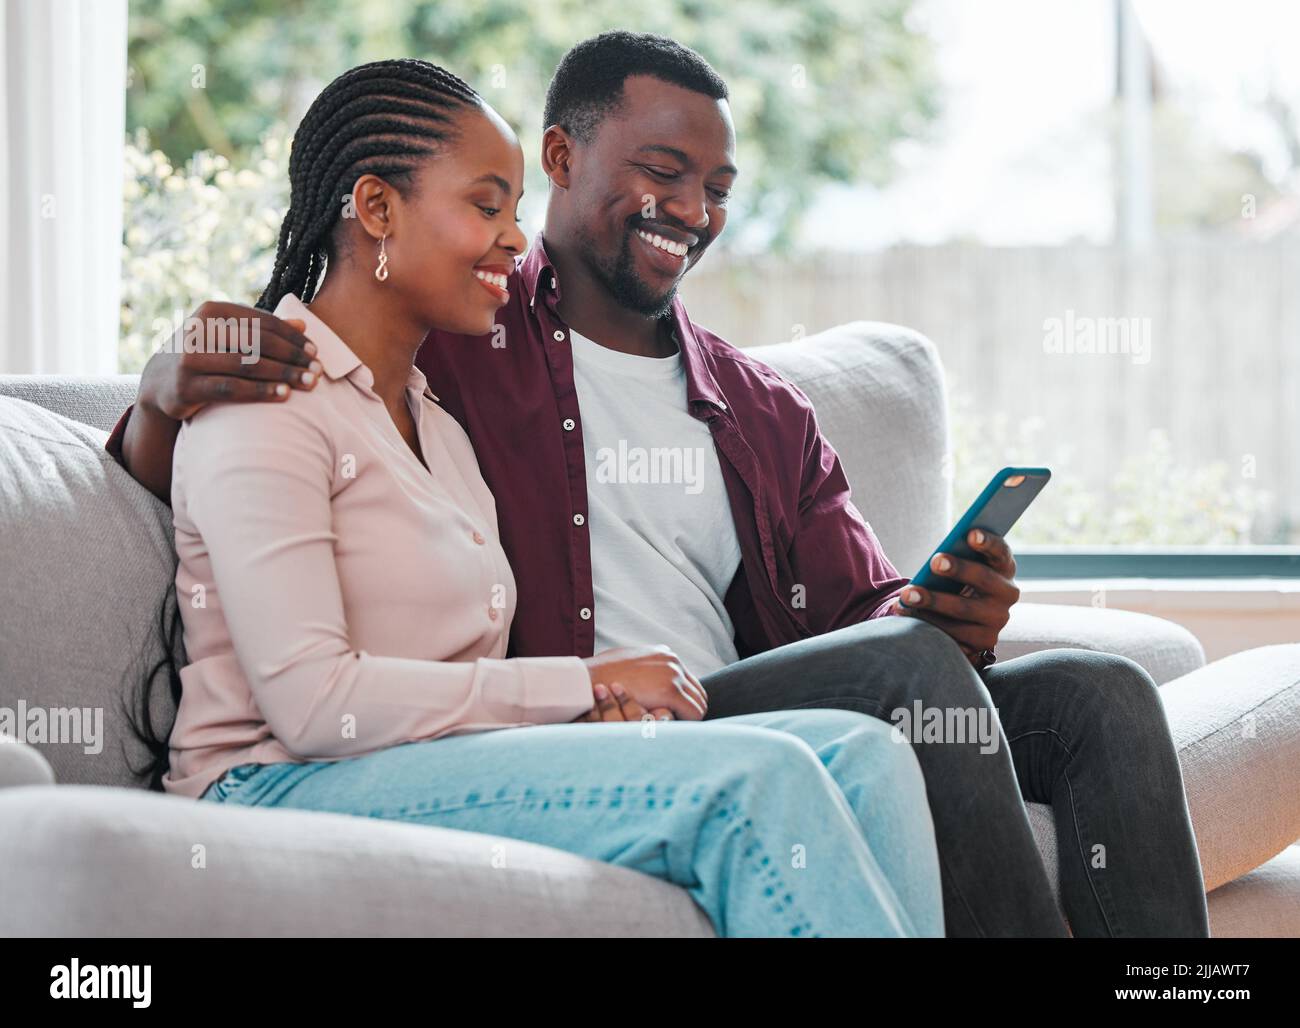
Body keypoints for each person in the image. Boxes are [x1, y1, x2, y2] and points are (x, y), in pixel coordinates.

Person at [114, 34, 1209, 938]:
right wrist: (160, 396)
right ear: (561, 156)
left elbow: (863, 621)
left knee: (1095, 690)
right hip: (601, 710)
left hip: (739, 691)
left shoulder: (759, 404)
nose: (690, 208)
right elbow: (247, 435)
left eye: (717, 188)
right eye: (662, 171)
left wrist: (935, 612)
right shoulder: (457, 339)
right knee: (897, 685)